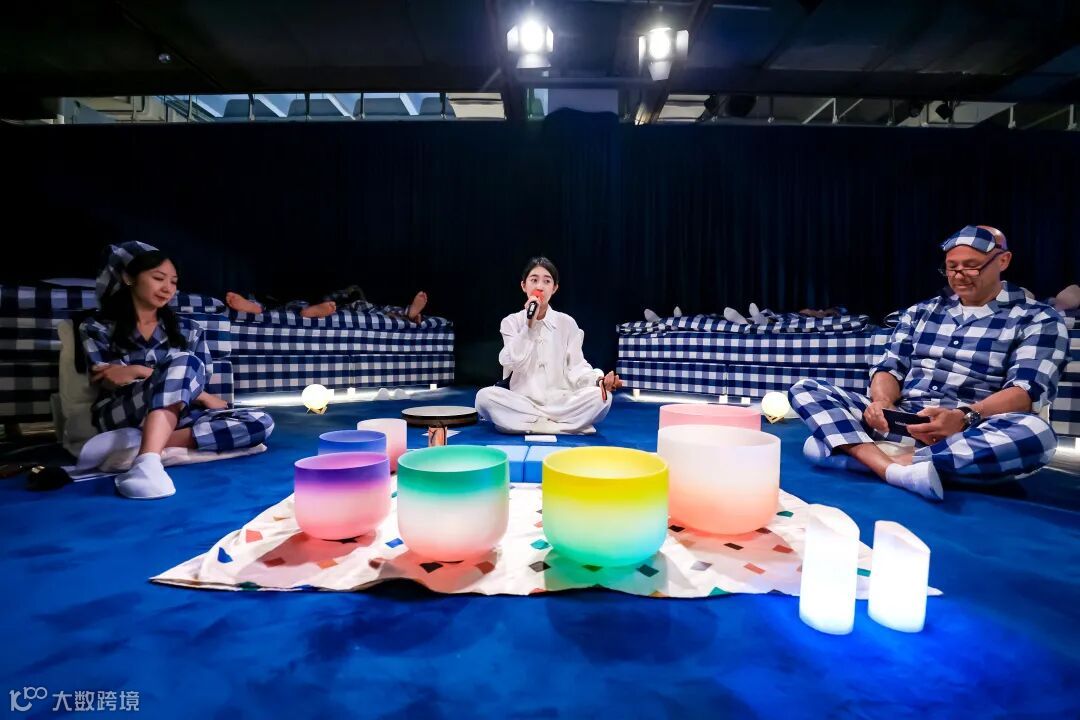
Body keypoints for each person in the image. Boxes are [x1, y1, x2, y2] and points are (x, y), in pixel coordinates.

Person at [790, 225, 1068, 501]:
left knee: (1037, 434)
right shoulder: (920, 312)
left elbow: (1026, 390)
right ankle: (899, 469)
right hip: (899, 421)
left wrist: (965, 416)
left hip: (969, 430)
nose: (958, 275)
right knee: (807, 388)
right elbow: (890, 367)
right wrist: (883, 402)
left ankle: (858, 456)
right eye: (951, 267)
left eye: (971, 266)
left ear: (1003, 261)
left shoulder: (1038, 319)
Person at [78, 242, 274, 499]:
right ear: (129, 277)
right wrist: (192, 389)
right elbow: (107, 379)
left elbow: (196, 378)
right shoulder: (97, 326)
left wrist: (137, 371)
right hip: (122, 410)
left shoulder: (189, 329)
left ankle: (139, 442)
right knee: (184, 361)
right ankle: (147, 462)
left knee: (261, 422)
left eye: (173, 282)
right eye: (158, 278)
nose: (167, 288)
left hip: (180, 412)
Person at [475, 257, 621, 434]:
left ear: (554, 288)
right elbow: (514, 362)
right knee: (484, 398)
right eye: (534, 280)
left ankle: (530, 424)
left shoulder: (567, 323)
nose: (540, 287)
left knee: (602, 398)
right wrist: (529, 325)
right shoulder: (511, 322)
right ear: (523, 286)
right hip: (522, 401)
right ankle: (563, 426)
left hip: (561, 403)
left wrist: (598, 381)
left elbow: (577, 368)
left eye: (546, 281)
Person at [224, 285, 429, 323]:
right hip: (296, 303)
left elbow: (349, 296)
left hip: (336, 307)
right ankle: (253, 308)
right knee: (293, 306)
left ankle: (407, 312)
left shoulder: (346, 295)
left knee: (363, 306)